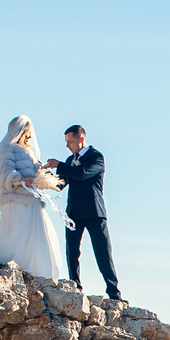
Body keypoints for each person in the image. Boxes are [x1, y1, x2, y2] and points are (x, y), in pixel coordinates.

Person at [0, 116, 66, 282]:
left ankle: (38, 273)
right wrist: (21, 180)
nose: (29, 136)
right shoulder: (7, 148)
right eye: (26, 133)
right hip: (17, 200)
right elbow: (4, 174)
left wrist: (43, 173)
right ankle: (18, 268)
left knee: (37, 237)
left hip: (32, 200)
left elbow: (35, 172)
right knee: (20, 235)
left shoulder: (30, 151)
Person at [51, 125, 121, 301]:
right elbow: (61, 183)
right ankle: (75, 287)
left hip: (94, 212)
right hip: (73, 213)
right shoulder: (69, 160)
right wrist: (41, 178)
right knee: (72, 252)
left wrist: (59, 165)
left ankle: (114, 293)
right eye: (66, 142)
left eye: (71, 142)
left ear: (81, 139)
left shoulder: (96, 157)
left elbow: (82, 174)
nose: (68, 146)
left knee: (103, 252)